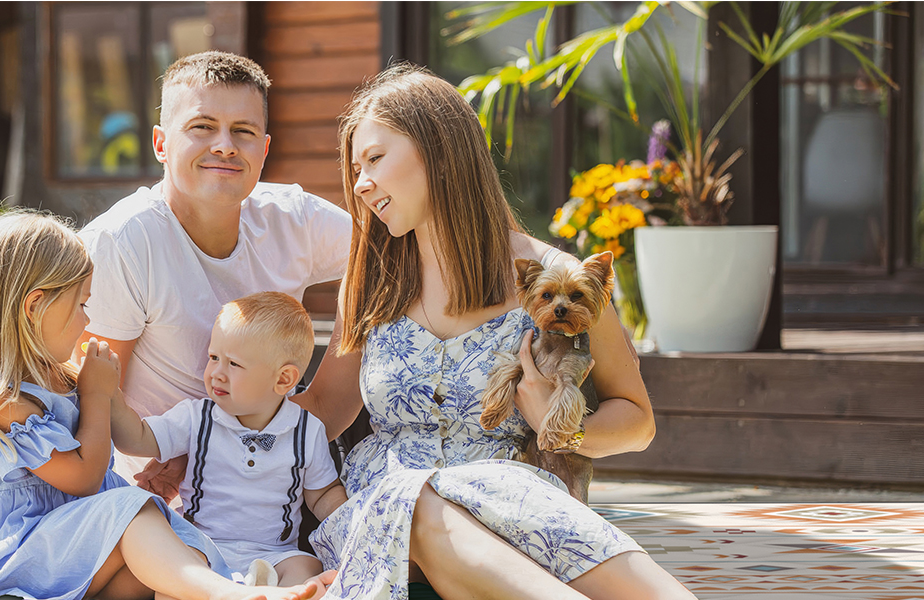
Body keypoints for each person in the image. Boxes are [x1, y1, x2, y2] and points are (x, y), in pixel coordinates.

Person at [291, 65, 698, 599]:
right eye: (356, 169)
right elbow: (322, 407)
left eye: (374, 159)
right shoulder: (372, 281)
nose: (361, 184)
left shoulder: (556, 280)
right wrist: (211, 434)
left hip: (518, 506)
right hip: (386, 514)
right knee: (419, 500)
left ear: (438, 150)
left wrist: (557, 426)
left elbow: (637, 422)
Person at [0, 211, 332, 600]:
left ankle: (222, 591)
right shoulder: (1, 402)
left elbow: (121, 442)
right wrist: (96, 394)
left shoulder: (62, 379)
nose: (86, 319)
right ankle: (229, 595)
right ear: (35, 306)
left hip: (85, 543)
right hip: (28, 548)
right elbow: (83, 479)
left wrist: (110, 399)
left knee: (182, 560)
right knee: (135, 514)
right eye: (81, 305)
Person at [76, 51, 351, 499]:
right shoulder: (123, 242)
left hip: (279, 482)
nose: (225, 145)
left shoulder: (293, 218)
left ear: (263, 149)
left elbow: (394, 253)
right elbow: (94, 401)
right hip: (158, 497)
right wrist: (190, 452)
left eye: (243, 131)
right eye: (202, 127)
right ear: (161, 144)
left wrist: (320, 403)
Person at [111, 292, 347, 588]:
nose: (216, 373)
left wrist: (350, 522)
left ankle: (291, 592)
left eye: (233, 364)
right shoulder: (197, 417)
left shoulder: (305, 431)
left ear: (283, 379)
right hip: (199, 545)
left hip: (274, 553)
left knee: (307, 567)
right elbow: (139, 438)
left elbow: (323, 494)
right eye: (214, 358)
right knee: (172, 575)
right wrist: (111, 397)